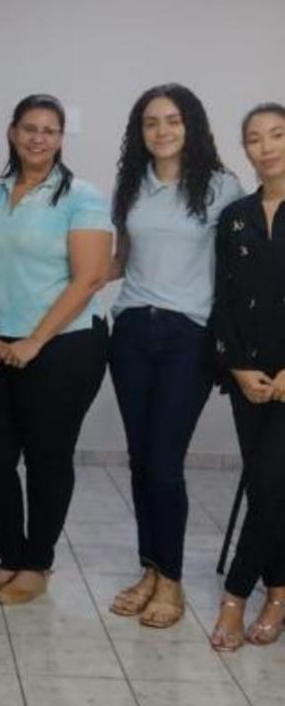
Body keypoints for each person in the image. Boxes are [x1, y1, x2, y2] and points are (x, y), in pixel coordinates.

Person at [0, 94, 112, 605]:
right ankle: (9, 556)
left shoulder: (81, 197)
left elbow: (89, 278)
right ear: (12, 132)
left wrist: (35, 341)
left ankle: (37, 562)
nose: (38, 138)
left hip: (64, 347)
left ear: (61, 138)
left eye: (49, 130)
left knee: (47, 456)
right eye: (29, 128)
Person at [106, 85, 244, 628]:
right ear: (139, 133)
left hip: (189, 336)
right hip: (132, 331)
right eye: (150, 123)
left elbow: (238, 270)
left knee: (165, 464)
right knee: (141, 462)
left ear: (192, 126)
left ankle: (173, 581)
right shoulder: (131, 186)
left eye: (172, 120)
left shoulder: (221, 188)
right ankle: (150, 568)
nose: (161, 131)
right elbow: (122, 259)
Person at [208, 103, 285, 651]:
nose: (267, 147)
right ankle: (279, 590)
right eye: (255, 138)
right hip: (248, 377)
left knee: (271, 484)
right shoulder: (234, 215)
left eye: (278, 135)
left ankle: (236, 595)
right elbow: (225, 301)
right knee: (270, 486)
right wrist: (237, 367)